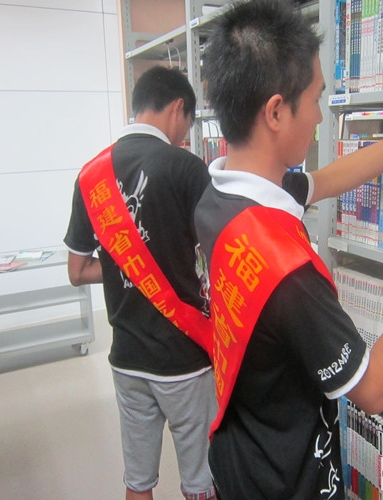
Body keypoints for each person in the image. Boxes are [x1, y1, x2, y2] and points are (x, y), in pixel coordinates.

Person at [194, 0, 383, 498]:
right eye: (316, 98)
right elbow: (374, 390)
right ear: (276, 112)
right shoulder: (289, 273)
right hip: (287, 480)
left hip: (240, 453)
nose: (321, 116)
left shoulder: (219, 196)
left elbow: (328, 180)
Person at [64, 66, 217, 500]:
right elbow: (219, 253)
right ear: (177, 109)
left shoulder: (90, 176)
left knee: (137, 481)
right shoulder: (187, 168)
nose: (184, 135)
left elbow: (77, 271)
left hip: (127, 358)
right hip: (184, 359)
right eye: (187, 124)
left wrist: (122, 268)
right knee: (200, 483)